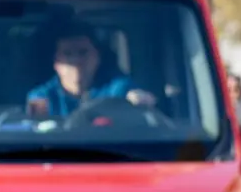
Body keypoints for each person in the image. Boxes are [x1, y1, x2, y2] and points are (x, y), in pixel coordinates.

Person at [27, 18, 156, 117]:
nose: (76, 61)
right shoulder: (43, 96)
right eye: (68, 54)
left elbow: (135, 97)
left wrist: (140, 101)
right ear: (56, 62)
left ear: (97, 57)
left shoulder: (118, 89)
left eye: (83, 52)